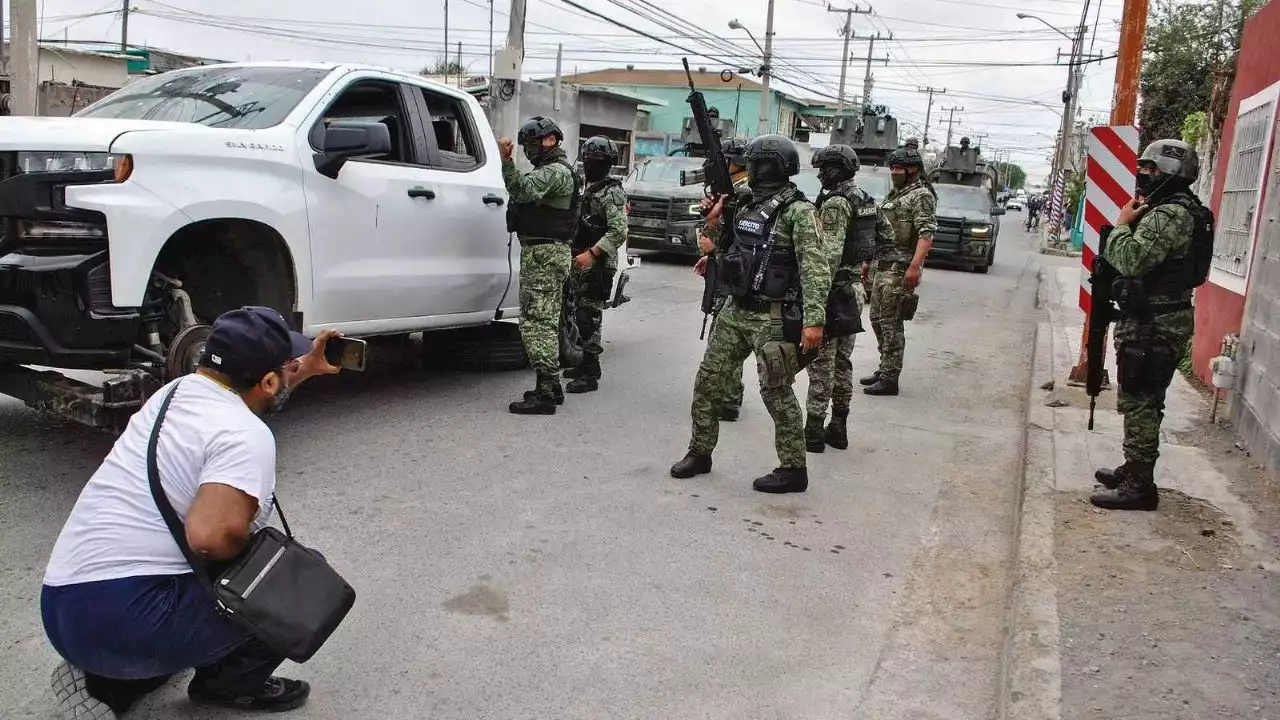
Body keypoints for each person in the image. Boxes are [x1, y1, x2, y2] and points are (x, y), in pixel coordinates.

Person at [41, 307, 342, 719]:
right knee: (295, 584)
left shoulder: (176, 392)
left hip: (64, 606)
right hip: (120, 621)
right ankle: (228, 686)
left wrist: (304, 370)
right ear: (269, 380)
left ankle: (105, 684)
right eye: (285, 367)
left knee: (195, 581)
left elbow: (254, 398)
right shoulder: (244, 435)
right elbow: (210, 537)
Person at [671, 134, 830, 494]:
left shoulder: (799, 213)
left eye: (754, 163)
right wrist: (712, 220)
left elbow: (815, 269)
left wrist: (814, 321)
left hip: (771, 316)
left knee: (775, 391)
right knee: (708, 382)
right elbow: (726, 247)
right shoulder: (743, 204)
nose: (748, 168)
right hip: (734, 308)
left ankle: (793, 469)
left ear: (768, 166)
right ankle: (700, 452)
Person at [1091, 139, 1212, 511]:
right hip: (1161, 316)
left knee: (1140, 400)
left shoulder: (1169, 214)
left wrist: (1122, 226)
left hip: (1154, 321)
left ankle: (1139, 487)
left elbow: (1132, 259)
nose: (1144, 175)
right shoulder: (1184, 211)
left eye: (1151, 169)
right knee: (1147, 396)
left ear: (1171, 174)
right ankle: (1134, 469)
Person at [805, 144, 893, 452]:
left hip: (834, 292)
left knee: (821, 364)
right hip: (854, 290)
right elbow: (888, 238)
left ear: (836, 169)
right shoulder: (864, 199)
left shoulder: (835, 204)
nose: (819, 175)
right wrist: (862, 264)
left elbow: (827, 258)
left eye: (823, 169)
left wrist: (813, 298)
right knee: (842, 362)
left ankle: (814, 432)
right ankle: (839, 427)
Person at [500, 116, 581, 415]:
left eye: (533, 144)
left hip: (544, 255)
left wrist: (506, 162)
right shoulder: (556, 171)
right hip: (546, 253)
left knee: (537, 324)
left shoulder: (555, 173)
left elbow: (521, 190)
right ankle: (552, 386)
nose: (532, 150)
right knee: (545, 320)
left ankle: (545, 392)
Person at [862, 146, 937, 396]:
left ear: (912, 169)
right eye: (891, 168)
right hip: (882, 266)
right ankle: (885, 367)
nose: (893, 172)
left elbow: (926, 234)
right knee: (876, 320)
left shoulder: (921, 195)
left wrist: (914, 267)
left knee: (891, 323)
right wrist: (867, 262)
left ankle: (890, 377)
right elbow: (881, 231)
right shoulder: (897, 194)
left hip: (900, 268)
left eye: (897, 168)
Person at [562, 136, 627, 394]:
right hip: (580, 258)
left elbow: (618, 231)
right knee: (579, 313)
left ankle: (590, 374)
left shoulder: (612, 193)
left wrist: (593, 253)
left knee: (589, 317)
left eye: (597, 161)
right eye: (588, 160)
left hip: (598, 263)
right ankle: (587, 366)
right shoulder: (587, 189)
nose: (591, 165)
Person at [694, 138, 751, 422]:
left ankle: (727, 398)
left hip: (734, 272)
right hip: (729, 266)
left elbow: (729, 235)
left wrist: (712, 229)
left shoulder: (741, 192)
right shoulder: (736, 191)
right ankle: (729, 396)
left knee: (726, 337)